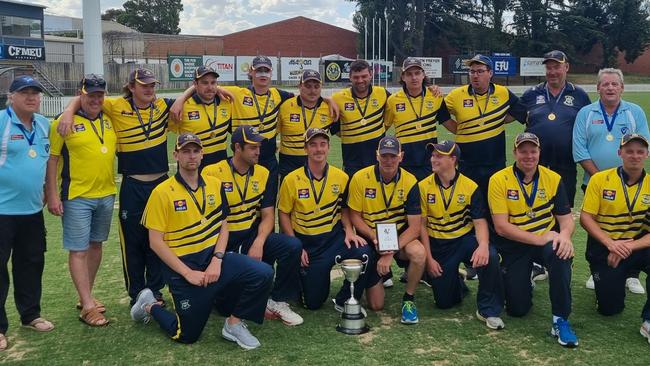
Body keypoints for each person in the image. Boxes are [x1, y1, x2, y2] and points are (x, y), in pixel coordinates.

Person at [131, 133, 273, 349]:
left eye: (196, 151)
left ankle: (234, 324)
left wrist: (217, 259)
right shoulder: (161, 192)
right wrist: (187, 273)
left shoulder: (215, 184)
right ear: (175, 155)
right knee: (187, 335)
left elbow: (223, 224)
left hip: (212, 259)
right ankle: (149, 305)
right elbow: (156, 242)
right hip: (184, 268)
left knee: (263, 273)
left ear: (202, 154)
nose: (191, 156)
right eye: (186, 151)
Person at [57, 68, 177, 306]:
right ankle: (137, 294)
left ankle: (156, 290)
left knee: (159, 239)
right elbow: (88, 98)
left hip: (161, 184)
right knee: (132, 243)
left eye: (152, 85)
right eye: (143, 85)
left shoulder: (162, 105)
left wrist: (192, 88)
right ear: (131, 87)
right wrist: (69, 113)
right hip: (132, 185)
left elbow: (187, 100)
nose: (149, 89)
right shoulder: (115, 106)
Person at [203, 125, 303, 326]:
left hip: (250, 237)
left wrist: (259, 241)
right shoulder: (212, 172)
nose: (259, 151)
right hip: (222, 243)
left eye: (259, 146)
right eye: (252, 147)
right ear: (237, 148)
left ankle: (277, 300)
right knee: (224, 307)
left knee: (292, 245)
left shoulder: (264, 173)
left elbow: (267, 215)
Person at [488, 132, 578, 348]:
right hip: (515, 245)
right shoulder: (499, 179)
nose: (528, 156)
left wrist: (564, 236)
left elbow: (566, 220)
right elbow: (501, 227)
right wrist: (539, 239)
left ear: (539, 152)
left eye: (533, 151)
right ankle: (526, 276)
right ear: (515, 152)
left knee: (560, 253)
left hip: (546, 241)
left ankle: (561, 319)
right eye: (523, 151)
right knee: (518, 310)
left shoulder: (553, 178)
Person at [514, 50, 591, 284]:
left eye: (557, 66)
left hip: (565, 166)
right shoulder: (531, 94)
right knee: (534, 210)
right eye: (548, 67)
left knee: (562, 212)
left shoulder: (579, 96)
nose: (552, 71)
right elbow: (513, 115)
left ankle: (559, 255)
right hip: (533, 166)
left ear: (566, 67)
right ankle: (536, 262)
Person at [278, 128, 376, 310]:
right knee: (313, 303)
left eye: (323, 144)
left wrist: (348, 231)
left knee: (364, 252)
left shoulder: (341, 177)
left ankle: (345, 300)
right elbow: (283, 213)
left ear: (329, 148)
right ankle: (303, 279)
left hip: (333, 239)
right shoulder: (291, 179)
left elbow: (344, 208)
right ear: (305, 148)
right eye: (313, 145)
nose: (318, 149)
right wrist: (295, 246)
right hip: (307, 243)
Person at [46, 75, 117, 327]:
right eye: (90, 95)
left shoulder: (109, 121)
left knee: (96, 246)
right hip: (76, 196)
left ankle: (86, 295)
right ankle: (88, 307)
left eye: (100, 95)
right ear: (81, 94)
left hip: (106, 194)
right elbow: (52, 159)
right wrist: (52, 194)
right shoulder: (62, 123)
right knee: (78, 250)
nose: (96, 99)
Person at [573, 68, 650, 294]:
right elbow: (579, 148)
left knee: (634, 221)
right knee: (596, 222)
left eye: (614, 84)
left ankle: (632, 273)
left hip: (632, 181)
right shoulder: (586, 113)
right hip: (596, 180)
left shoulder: (634, 112)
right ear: (598, 88)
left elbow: (644, 143)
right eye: (605, 84)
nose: (610, 88)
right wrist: (602, 179)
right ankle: (596, 267)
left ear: (622, 87)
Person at [419, 140, 505, 329]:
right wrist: (429, 259)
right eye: (433, 155)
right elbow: (422, 227)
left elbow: (479, 221)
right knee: (444, 303)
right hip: (438, 244)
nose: (433, 159)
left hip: (464, 240)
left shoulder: (470, 186)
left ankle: (489, 309)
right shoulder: (423, 186)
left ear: (453, 159)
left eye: (439, 156)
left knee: (489, 256)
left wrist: (482, 246)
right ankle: (456, 281)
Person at [579, 133, 650, 345]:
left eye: (640, 151)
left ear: (646, 154)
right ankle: (614, 281)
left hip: (635, 245)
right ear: (620, 153)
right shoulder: (600, 179)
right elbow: (585, 218)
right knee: (610, 309)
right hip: (604, 246)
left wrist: (628, 246)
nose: (634, 156)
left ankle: (648, 321)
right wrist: (611, 244)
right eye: (629, 151)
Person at [0, 76, 54, 351]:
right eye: (25, 92)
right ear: (11, 96)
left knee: (31, 264)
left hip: (32, 211)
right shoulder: (1, 122)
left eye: (36, 93)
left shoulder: (44, 124)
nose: (32, 97)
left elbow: (48, 163)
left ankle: (30, 315)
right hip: (2, 211)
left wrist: (48, 191)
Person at [347, 136, 426, 324]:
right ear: (377, 156)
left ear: (401, 157)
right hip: (371, 236)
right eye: (384, 156)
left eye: (393, 156)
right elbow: (355, 216)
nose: (388, 161)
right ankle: (377, 277)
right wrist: (375, 238)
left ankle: (409, 299)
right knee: (376, 305)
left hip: (399, 237)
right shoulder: (360, 178)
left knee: (419, 253)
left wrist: (389, 251)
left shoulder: (410, 181)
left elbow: (415, 227)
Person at [384, 57, 453, 180]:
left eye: (417, 73)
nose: (414, 77)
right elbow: (383, 128)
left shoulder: (435, 96)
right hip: (404, 162)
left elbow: (448, 123)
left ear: (423, 75)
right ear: (403, 77)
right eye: (409, 74)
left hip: (430, 161)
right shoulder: (393, 100)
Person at [330, 59, 390, 177]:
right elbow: (335, 129)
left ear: (371, 74)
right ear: (350, 77)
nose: (360, 80)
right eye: (356, 77)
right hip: (352, 162)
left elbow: (401, 102)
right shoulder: (338, 98)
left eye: (364, 76)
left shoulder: (383, 93)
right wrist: (353, 132)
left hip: (378, 161)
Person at [278, 69, 335, 183]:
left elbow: (341, 133)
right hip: (289, 164)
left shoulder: (329, 109)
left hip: (316, 164)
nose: (312, 90)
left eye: (316, 86)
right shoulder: (285, 106)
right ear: (300, 86)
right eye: (308, 86)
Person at [172, 66, 232, 169]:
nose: (210, 87)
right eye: (205, 83)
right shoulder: (182, 107)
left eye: (213, 83)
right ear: (195, 84)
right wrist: (181, 98)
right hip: (192, 171)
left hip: (220, 170)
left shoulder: (226, 102)